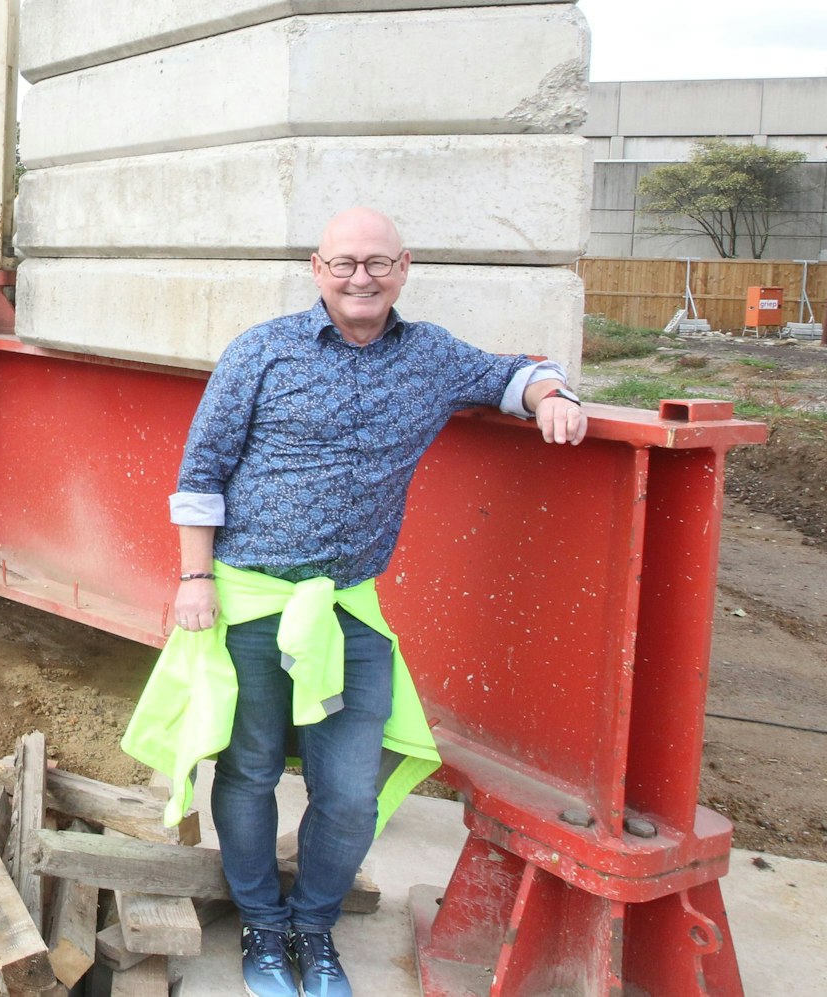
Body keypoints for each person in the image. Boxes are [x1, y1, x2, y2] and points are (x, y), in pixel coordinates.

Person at [122, 207, 586, 997]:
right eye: (344, 263)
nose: (360, 277)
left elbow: (514, 370)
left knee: (349, 790)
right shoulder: (262, 351)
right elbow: (200, 471)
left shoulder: (432, 355)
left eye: (376, 262)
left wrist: (550, 394)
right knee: (251, 769)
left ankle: (314, 923)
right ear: (316, 268)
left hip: (348, 609)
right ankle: (264, 926)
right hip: (249, 601)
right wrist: (193, 580)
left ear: (405, 266)